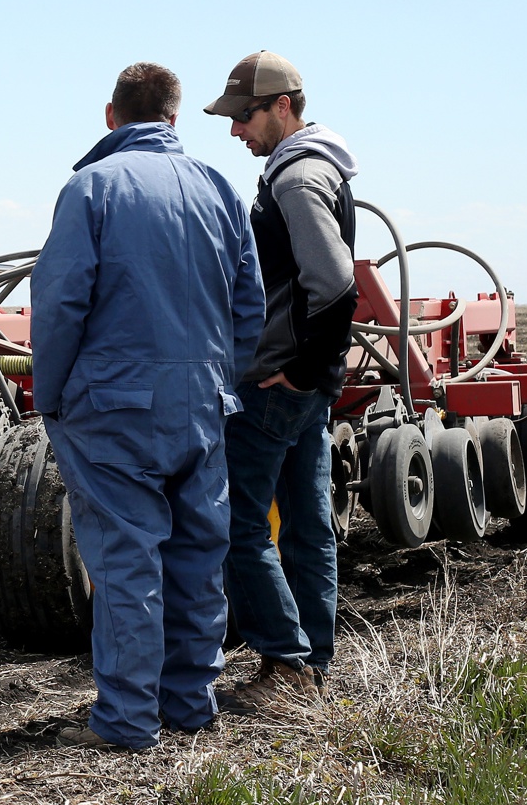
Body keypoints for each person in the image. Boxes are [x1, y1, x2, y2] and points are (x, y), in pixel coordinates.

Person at [32, 63, 265, 750]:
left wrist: (53, 396)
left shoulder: (91, 188)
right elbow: (249, 302)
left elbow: (62, 303)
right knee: (198, 554)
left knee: (128, 559)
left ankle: (128, 722)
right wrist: (222, 376)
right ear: (173, 118)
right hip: (202, 404)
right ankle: (190, 704)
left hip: (114, 408)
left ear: (111, 116)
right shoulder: (217, 188)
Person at [201, 51, 358, 711]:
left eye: (245, 115)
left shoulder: (296, 178)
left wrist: (302, 369)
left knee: (237, 525)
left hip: (279, 384)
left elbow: (336, 280)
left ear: (283, 106)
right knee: (306, 525)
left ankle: (288, 667)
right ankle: (310, 667)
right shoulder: (315, 167)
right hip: (302, 383)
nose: (238, 130)